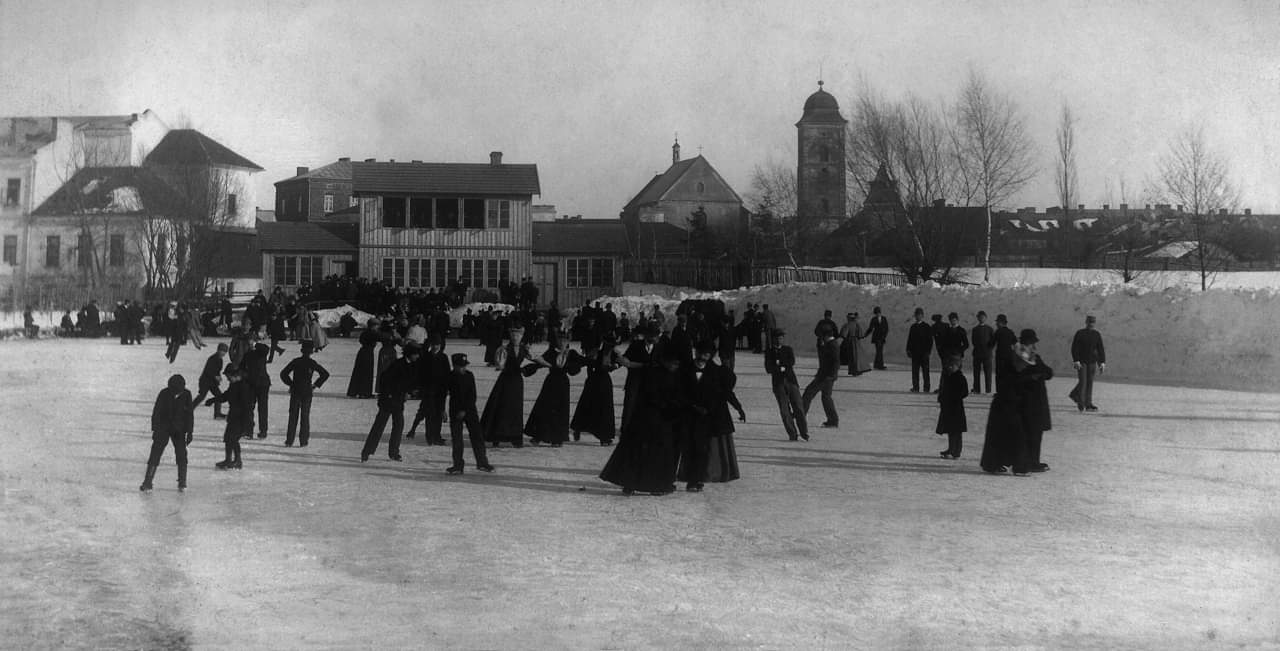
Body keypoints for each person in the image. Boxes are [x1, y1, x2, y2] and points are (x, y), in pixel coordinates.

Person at [599, 350, 690, 495]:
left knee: (653, 454)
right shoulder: (653, 374)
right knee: (640, 452)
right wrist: (670, 405)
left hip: (661, 419)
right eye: (673, 363)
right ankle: (632, 484)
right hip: (649, 418)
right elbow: (651, 395)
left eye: (677, 364)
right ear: (665, 361)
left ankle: (653, 485)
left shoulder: (674, 375)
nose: (675, 366)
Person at [677, 341, 744, 492]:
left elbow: (726, 393)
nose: (703, 356)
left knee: (702, 449)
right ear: (696, 352)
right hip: (689, 415)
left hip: (708, 416)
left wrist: (738, 408)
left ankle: (696, 479)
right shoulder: (684, 369)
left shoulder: (718, 372)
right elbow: (678, 391)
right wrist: (691, 406)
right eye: (701, 353)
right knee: (689, 448)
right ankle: (691, 477)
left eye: (707, 354)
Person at [361, 342, 421, 462]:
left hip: (398, 400)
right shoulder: (398, 364)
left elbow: (410, 382)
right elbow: (385, 379)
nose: (417, 356)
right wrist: (390, 395)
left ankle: (394, 452)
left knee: (398, 426)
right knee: (379, 426)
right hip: (388, 400)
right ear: (410, 354)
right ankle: (367, 451)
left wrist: (410, 391)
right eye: (416, 354)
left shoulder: (413, 365)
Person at [524, 330, 579, 446]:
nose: (562, 342)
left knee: (560, 411)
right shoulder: (551, 352)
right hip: (551, 382)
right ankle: (538, 435)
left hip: (563, 384)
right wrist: (529, 368)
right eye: (560, 339)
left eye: (564, 340)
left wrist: (569, 366)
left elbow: (576, 369)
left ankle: (557, 439)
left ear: (568, 341)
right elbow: (540, 362)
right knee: (544, 408)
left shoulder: (571, 353)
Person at [139, 374, 194, 492]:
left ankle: (182, 482)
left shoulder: (186, 394)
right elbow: (156, 411)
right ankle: (148, 482)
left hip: (178, 430)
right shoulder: (164, 393)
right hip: (163, 428)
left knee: (181, 454)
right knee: (155, 453)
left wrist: (190, 432)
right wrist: (155, 429)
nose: (176, 393)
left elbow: (189, 414)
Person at [444, 353, 495, 475]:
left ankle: (482, 462)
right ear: (455, 366)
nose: (463, 368)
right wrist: (442, 410)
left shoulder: (469, 375)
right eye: (461, 366)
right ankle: (458, 465)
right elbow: (443, 394)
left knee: (477, 437)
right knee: (457, 439)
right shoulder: (450, 377)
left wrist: (465, 410)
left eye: (464, 366)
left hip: (470, 410)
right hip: (455, 411)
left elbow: (472, 395)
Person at [480, 326, 529, 448]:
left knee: (515, 408)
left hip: (517, 381)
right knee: (501, 406)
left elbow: (535, 358)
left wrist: (547, 364)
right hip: (506, 380)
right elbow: (499, 363)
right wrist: (500, 365)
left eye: (518, 335)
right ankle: (496, 436)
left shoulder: (524, 349)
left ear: (522, 336)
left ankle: (515, 437)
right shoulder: (504, 349)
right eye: (514, 335)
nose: (516, 338)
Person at [571, 332, 622, 445]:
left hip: (604, 382)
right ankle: (578, 428)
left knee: (605, 408)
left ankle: (604, 436)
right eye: (609, 344)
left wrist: (615, 366)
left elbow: (620, 362)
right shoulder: (596, 352)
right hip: (593, 381)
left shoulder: (614, 354)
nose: (611, 346)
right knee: (586, 405)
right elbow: (587, 363)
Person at [280, 341, 330, 447]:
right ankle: (303, 441)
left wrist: (291, 384)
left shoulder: (296, 361)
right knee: (305, 416)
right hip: (307, 391)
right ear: (311, 352)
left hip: (296, 390)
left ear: (301, 350)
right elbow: (325, 374)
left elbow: (283, 374)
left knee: (293, 416)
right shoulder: (312, 363)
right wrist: (315, 385)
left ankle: (289, 440)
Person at [1017, 330, 1054, 472]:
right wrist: (1033, 377)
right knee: (1030, 433)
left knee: (1036, 433)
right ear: (1025, 344)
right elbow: (1018, 378)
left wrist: (1041, 374)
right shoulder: (1019, 359)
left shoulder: (1035, 358)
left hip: (1037, 402)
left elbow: (1049, 372)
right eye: (1031, 343)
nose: (1033, 346)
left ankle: (1034, 461)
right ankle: (1028, 462)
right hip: (1027, 402)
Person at [764, 329, 808, 441]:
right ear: (773, 339)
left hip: (791, 381)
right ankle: (792, 434)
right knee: (784, 410)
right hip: (778, 383)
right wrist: (780, 368)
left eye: (781, 338)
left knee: (798, 407)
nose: (780, 340)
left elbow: (791, 362)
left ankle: (804, 431)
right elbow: (768, 368)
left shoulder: (788, 349)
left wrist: (781, 366)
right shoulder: (769, 352)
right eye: (778, 338)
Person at [407, 336, 450, 445]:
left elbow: (447, 374)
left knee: (439, 412)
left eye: (437, 345)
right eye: (434, 344)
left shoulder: (443, 357)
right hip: (428, 389)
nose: (435, 347)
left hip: (440, 389)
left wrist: (447, 387)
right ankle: (430, 436)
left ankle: (437, 436)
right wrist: (418, 387)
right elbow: (419, 373)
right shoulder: (425, 357)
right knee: (429, 413)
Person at [618, 323, 661, 433]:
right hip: (634, 381)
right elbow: (625, 360)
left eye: (656, 336)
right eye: (652, 335)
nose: (654, 338)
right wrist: (638, 365)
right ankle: (625, 430)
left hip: (651, 383)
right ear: (646, 335)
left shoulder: (659, 347)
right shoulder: (636, 345)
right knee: (629, 406)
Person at [208, 364, 253, 470]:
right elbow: (225, 396)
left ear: (235, 375)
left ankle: (237, 461)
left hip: (240, 419)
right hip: (233, 417)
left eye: (228, 376)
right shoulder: (234, 385)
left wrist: (248, 424)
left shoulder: (244, 387)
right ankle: (229, 460)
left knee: (232, 439)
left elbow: (247, 407)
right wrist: (213, 400)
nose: (227, 379)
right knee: (228, 438)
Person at [801, 330, 842, 428]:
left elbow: (835, 361)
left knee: (808, 393)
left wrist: (831, 375)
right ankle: (833, 420)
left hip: (825, 376)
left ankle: (800, 416)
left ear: (826, 336)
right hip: (827, 376)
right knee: (826, 397)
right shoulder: (830, 344)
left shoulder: (832, 345)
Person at [1069, 315, 1106, 412]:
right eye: (1089, 322)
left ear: (1095, 323)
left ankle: (1088, 404)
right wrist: (1076, 360)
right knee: (1083, 382)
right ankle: (1081, 403)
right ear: (1086, 322)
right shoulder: (1080, 333)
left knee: (1089, 383)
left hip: (1092, 362)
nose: (1091, 324)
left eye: (1093, 322)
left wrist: (1102, 362)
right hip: (1082, 362)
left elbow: (1100, 349)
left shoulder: (1096, 334)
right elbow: (1074, 347)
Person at [936, 355, 969, 460]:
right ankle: (952, 449)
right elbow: (944, 389)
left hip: (956, 408)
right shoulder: (948, 376)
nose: (950, 367)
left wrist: (954, 397)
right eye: (949, 365)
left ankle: (955, 451)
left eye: (952, 365)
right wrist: (941, 398)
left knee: (956, 431)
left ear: (958, 366)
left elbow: (965, 392)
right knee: (951, 430)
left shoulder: (960, 377)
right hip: (949, 408)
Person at [193, 343, 229, 420]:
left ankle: (217, 414)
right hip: (205, 381)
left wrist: (218, 376)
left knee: (219, 396)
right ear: (218, 350)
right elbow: (208, 370)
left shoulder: (220, 360)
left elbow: (217, 371)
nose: (223, 353)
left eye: (225, 351)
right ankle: (189, 409)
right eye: (222, 351)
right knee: (201, 396)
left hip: (212, 382)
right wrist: (215, 376)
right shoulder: (213, 358)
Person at [243, 343, 272, 439]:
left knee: (257, 408)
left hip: (259, 384)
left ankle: (258, 431)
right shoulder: (250, 354)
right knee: (252, 408)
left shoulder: (260, 352)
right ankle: (252, 431)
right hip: (256, 384)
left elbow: (266, 349)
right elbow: (242, 368)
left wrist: (255, 344)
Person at [346, 320, 379, 398]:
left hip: (362, 352)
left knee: (359, 372)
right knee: (367, 373)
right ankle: (365, 392)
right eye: (376, 325)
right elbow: (379, 338)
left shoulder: (365, 332)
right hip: (368, 353)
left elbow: (361, 340)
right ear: (373, 326)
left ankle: (355, 391)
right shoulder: (372, 333)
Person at [906, 308, 934, 393]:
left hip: (924, 353)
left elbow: (930, 341)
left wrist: (928, 351)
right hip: (915, 353)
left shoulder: (927, 327)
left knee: (925, 371)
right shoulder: (913, 327)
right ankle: (916, 387)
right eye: (917, 315)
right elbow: (910, 339)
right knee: (915, 371)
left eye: (919, 315)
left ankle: (926, 388)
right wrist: (908, 349)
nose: (918, 316)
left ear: (922, 316)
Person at [970, 311, 995, 394]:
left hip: (987, 354)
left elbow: (993, 341)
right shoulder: (975, 329)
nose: (981, 319)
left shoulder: (990, 329)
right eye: (980, 317)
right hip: (977, 353)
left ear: (986, 318)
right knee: (976, 373)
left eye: (983, 317)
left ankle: (988, 390)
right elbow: (973, 341)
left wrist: (989, 349)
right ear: (977, 318)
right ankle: (977, 389)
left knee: (988, 373)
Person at [839, 312, 870, 376]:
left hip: (850, 341)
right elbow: (861, 335)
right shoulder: (857, 325)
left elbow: (843, 334)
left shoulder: (847, 325)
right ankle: (859, 370)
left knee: (852, 357)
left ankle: (854, 371)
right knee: (858, 357)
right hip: (857, 342)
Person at [992, 314, 1018, 383]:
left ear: (1001, 322)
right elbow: (1016, 343)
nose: (996, 324)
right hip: (1009, 357)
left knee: (999, 375)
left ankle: (1000, 389)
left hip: (1000, 357)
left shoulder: (998, 332)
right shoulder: (1010, 332)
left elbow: (991, 344)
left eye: (997, 322)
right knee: (1008, 375)